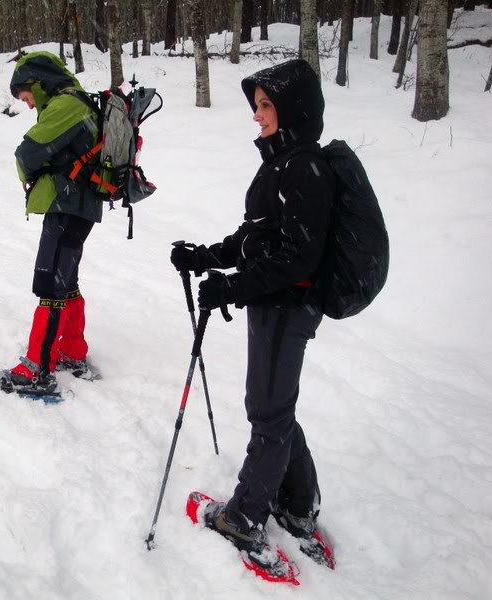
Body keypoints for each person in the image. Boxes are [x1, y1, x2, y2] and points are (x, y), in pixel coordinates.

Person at [171, 59, 335, 569]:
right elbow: (256, 238)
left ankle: (244, 517)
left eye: (266, 105)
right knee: (275, 406)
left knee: (266, 412)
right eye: (257, 105)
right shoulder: (283, 162)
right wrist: (206, 257)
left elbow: (296, 258)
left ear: (292, 109)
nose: (257, 115)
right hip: (276, 303)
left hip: (286, 307)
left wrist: (233, 287)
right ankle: (298, 503)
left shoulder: (303, 167)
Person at [0, 51, 102, 396]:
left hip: (68, 203)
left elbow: (26, 154)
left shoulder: (65, 106)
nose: (27, 105)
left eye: (26, 97)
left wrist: (28, 175)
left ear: (38, 84)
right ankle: (72, 351)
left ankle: (37, 369)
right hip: (79, 205)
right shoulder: (78, 103)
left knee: (50, 280)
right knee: (65, 279)